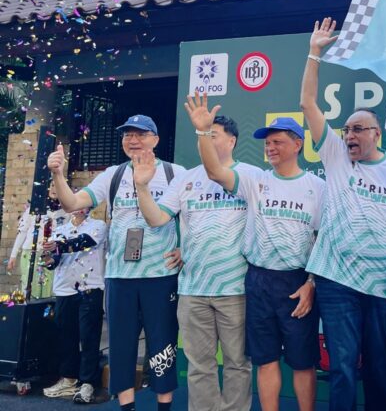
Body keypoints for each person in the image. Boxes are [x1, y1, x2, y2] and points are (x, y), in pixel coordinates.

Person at [301, 17, 386, 411]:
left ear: (377, 134)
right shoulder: (333, 155)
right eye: (347, 128)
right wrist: (315, 53)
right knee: (343, 367)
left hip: (382, 284)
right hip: (337, 280)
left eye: (359, 129)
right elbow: (308, 104)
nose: (349, 134)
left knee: (378, 367)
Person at [48, 115, 184, 411]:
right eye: (127, 135)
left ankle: (164, 406)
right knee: (121, 348)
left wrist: (185, 250)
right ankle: (126, 407)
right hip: (120, 277)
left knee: (162, 345)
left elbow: (195, 221)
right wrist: (58, 174)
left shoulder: (176, 174)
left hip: (160, 276)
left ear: (156, 139)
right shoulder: (113, 174)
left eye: (140, 134)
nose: (132, 140)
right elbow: (72, 203)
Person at [134, 112, 255, 411]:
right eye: (202, 135)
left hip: (235, 289)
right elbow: (157, 218)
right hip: (193, 290)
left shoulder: (251, 176)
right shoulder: (187, 179)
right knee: (200, 365)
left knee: (238, 364)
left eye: (212, 135)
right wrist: (142, 187)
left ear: (232, 140)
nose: (206, 140)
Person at [41, 205, 107, 404]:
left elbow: (85, 242)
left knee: (89, 336)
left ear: (90, 207)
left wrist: (57, 246)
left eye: (83, 204)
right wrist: (48, 258)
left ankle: (88, 382)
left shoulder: (99, 225)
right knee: (66, 336)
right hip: (64, 289)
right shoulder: (60, 230)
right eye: (74, 204)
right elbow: (54, 261)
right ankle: (69, 378)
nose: (78, 208)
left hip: (90, 287)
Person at [7, 197, 69, 299]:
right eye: (51, 185)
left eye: (56, 186)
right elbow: (22, 232)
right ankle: (29, 313)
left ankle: (45, 314)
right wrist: (13, 255)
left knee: (48, 289)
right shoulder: (34, 208)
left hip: (51, 254)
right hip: (31, 251)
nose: (54, 189)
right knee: (30, 287)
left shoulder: (65, 211)